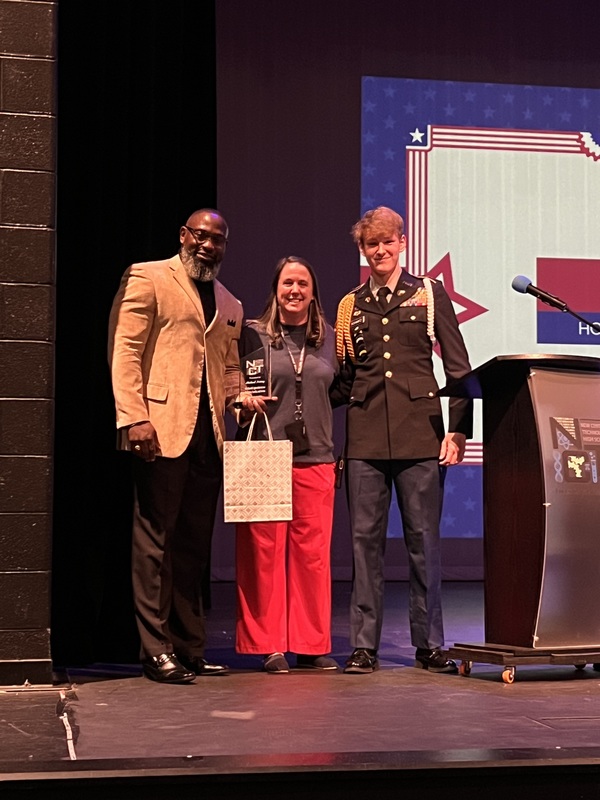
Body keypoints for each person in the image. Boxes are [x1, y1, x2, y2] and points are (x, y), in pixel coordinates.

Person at [108, 208, 263, 684]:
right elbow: (126, 350)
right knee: (155, 542)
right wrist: (134, 417)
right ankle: (155, 649)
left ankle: (190, 647)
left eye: (218, 239)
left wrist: (241, 402)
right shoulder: (149, 277)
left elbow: (230, 368)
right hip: (159, 429)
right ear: (184, 235)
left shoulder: (230, 302)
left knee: (193, 548)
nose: (209, 245)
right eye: (202, 235)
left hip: (208, 439)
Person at [334, 206, 473, 675]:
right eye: (371, 244)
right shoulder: (350, 305)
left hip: (421, 435)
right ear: (362, 250)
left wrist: (458, 429)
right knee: (363, 544)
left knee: (424, 543)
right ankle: (363, 646)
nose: (379, 251)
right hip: (365, 438)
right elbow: (345, 377)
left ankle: (429, 643)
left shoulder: (429, 294)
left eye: (387, 242)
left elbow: (458, 368)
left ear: (402, 242)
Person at [235, 256, 342, 673]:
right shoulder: (252, 335)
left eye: (302, 283)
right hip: (264, 455)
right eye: (286, 283)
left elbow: (341, 389)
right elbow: (232, 382)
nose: (294, 290)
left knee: (312, 556)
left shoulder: (331, 339)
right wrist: (239, 399)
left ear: (313, 291)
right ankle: (269, 644)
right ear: (275, 290)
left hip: (316, 458)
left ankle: (311, 644)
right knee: (263, 554)